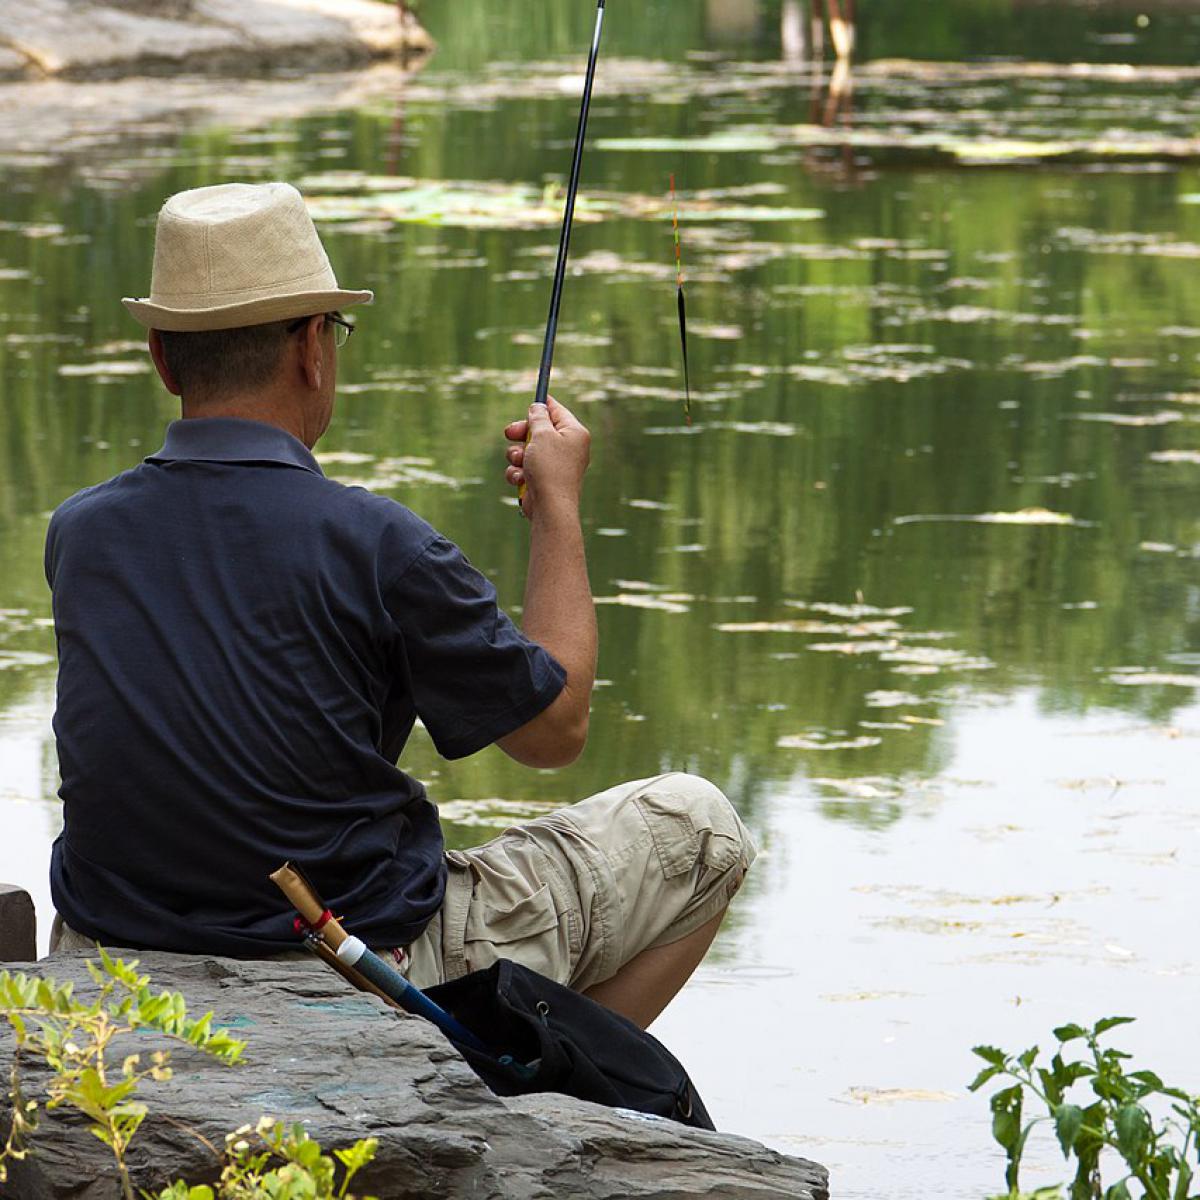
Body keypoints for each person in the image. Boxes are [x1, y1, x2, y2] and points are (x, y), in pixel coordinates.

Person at [46, 182, 755, 1029]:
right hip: (351, 959)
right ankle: (533, 1102)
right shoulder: (379, 544)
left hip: (110, 956)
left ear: (162, 358)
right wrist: (558, 510)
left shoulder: (79, 535)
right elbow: (553, 732)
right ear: (313, 346)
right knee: (702, 829)